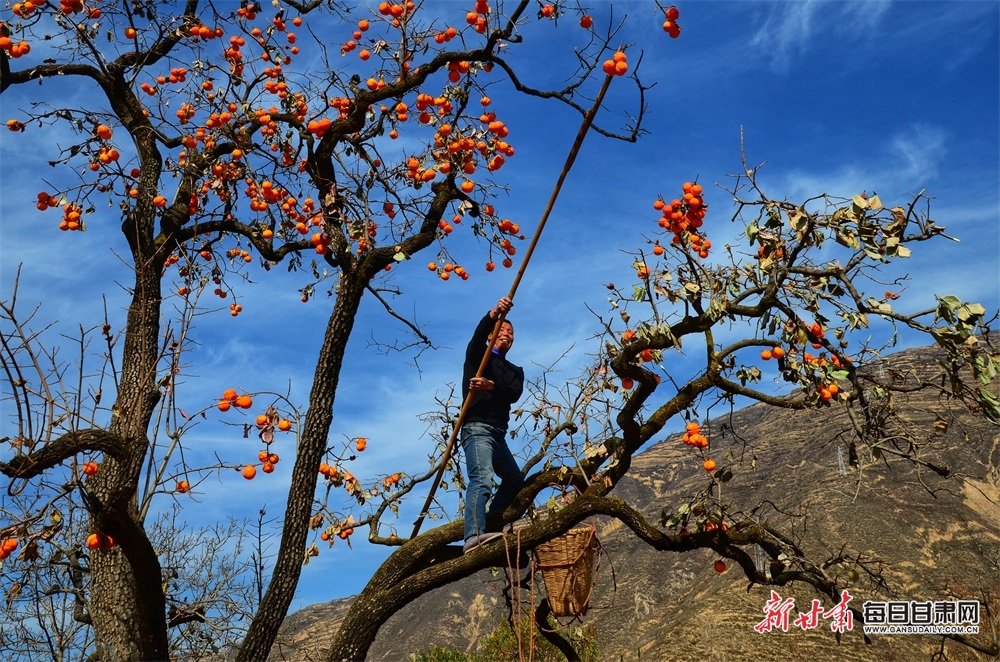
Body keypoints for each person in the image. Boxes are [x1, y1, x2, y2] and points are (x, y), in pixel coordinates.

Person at [460, 296, 525, 554]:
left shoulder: (515, 370)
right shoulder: (480, 357)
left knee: (514, 480)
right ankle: (472, 535)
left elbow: (513, 393)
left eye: (511, 333)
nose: (507, 335)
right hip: (477, 428)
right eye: (502, 331)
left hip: (498, 434)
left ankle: (491, 521)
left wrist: (490, 386)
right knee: (482, 478)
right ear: (491, 335)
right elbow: (476, 340)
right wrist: (495, 312)